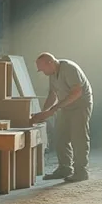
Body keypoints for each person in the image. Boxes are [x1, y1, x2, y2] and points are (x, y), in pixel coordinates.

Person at [31, 53, 93, 182]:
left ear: (50, 63)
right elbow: (52, 94)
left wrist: (53, 109)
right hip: (66, 106)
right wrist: (44, 113)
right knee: (60, 137)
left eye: (42, 69)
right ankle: (65, 168)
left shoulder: (70, 69)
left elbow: (77, 92)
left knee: (78, 137)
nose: (42, 72)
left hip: (80, 105)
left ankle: (81, 171)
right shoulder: (52, 73)